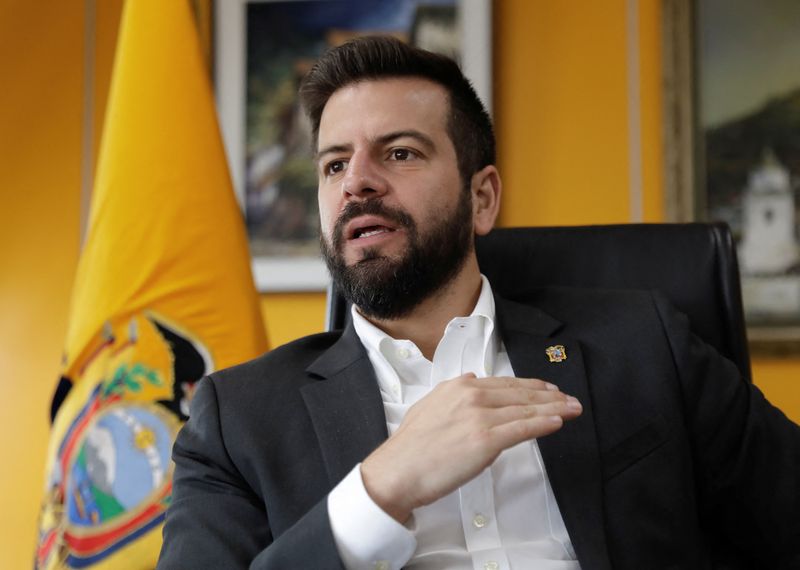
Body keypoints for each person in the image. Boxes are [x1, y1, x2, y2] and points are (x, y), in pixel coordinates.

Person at [158, 36, 799, 570]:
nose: (356, 182)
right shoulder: (237, 420)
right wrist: (379, 490)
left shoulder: (642, 342)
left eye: (399, 152)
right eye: (333, 166)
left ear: (483, 198)